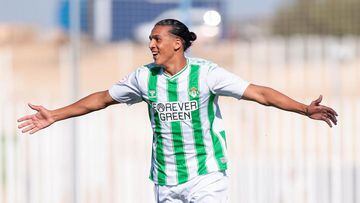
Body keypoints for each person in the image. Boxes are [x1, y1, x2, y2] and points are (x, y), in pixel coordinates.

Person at [17, 19, 338, 203]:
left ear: (177, 44)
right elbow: (101, 98)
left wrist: (302, 109)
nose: (151, 45)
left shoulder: (207, 74)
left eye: (157, 38)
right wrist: (55, 115)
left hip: (207, 175)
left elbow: (260, 93)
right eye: (150, 40)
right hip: (165, 179)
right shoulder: (143, 77)